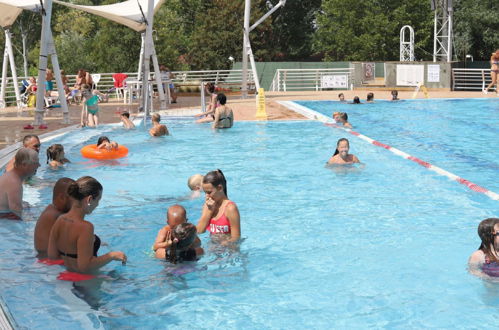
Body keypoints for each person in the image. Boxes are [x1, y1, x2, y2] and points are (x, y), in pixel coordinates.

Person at [48, 176, 127, 273]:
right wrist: (112, 256)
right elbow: (85, 267)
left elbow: (52, 255)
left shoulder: (60, 219)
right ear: (89, 200)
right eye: (98, 200)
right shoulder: (85, 227)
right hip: (87, 282)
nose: (97, 204)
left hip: (66, 276)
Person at [196, 170, 241, 245]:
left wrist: (221, 245)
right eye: (205, 192)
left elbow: (236, 238)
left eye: (209, 192)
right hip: (213, 248)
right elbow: (199, 231)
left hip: (228, 250)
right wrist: (209, 211)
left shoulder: (230, 208)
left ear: (220, 188)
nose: (206, 196)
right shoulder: (207, 206)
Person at [34, 177, 75, 257]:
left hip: (43, 258)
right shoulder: (57, 216)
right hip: (51, 260)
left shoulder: (50, 209)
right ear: (62, 198)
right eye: (74, 200)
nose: (76, 204)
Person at [0, 148, 40, 220]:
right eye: (36, 162)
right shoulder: (14, 182)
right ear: (24, 164)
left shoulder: (11, 176)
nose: (39, 165)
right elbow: (17, 215)